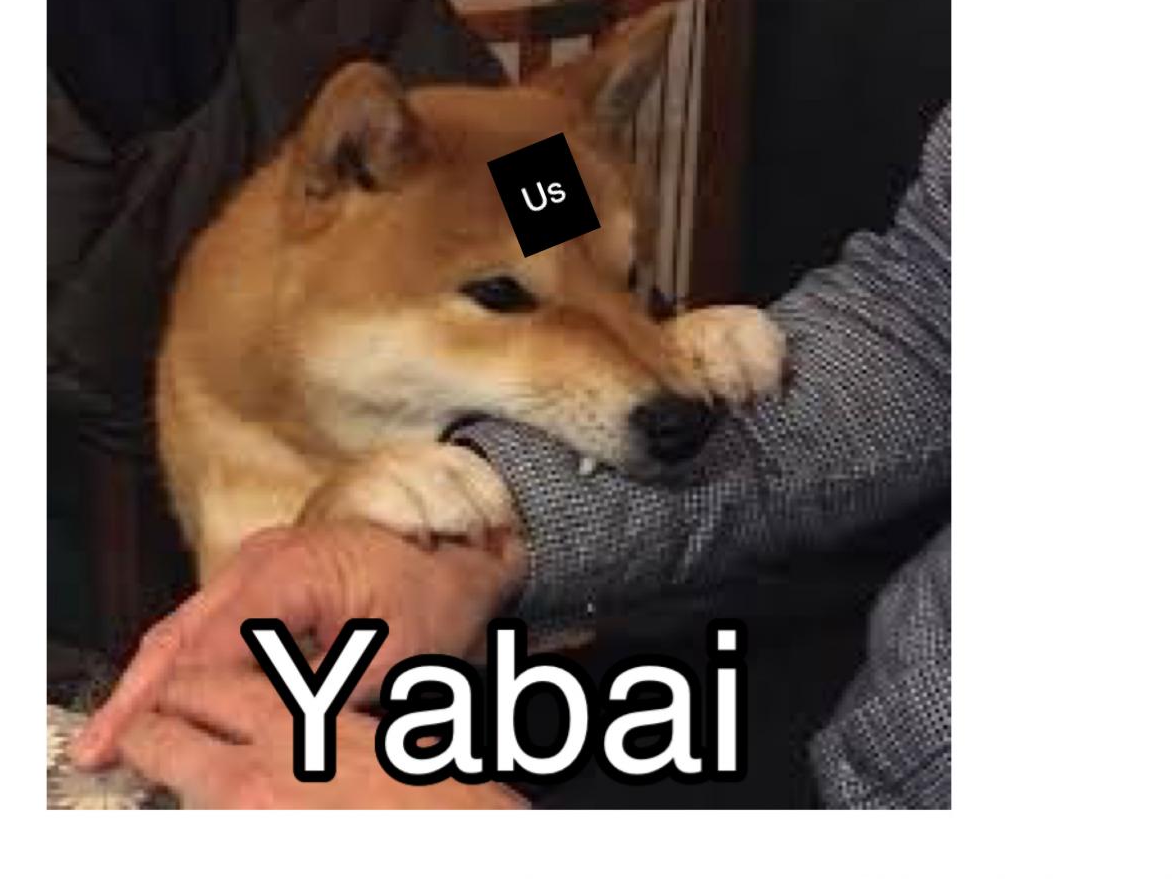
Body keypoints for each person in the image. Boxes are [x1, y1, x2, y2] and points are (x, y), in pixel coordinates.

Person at [73, 107, 952, 809]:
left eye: (628, 280)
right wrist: (495, 530)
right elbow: (934, 299)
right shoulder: (518, 171)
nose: (639, 355)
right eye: (503, 293)